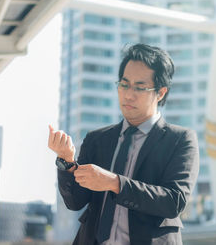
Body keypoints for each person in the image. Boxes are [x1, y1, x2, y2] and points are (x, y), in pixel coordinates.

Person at [48, 43, 199, 245]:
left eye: (139, 87)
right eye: (124, 84)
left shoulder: (180, 139)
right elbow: (75, 201)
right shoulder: (97, 139)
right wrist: (66, 161)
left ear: (161, 92)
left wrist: (115, 183)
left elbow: (174, 202)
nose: (128, 94)